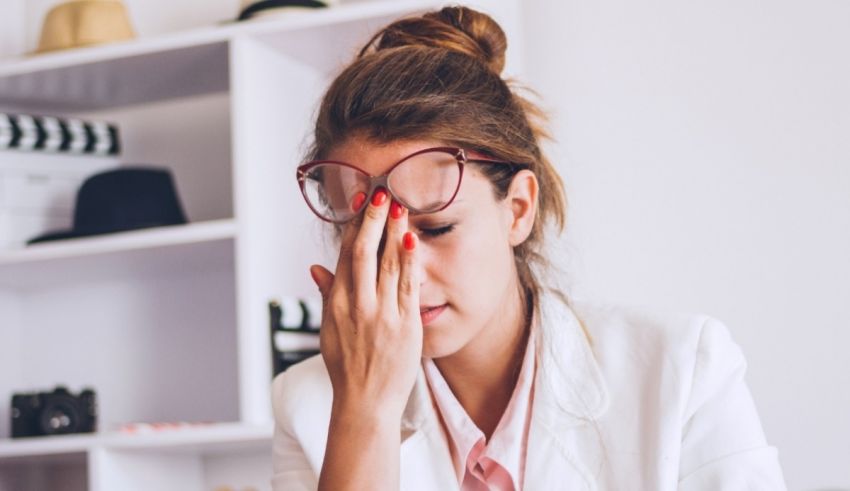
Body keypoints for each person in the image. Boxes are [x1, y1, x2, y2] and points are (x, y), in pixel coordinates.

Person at [272, 6, 787, 490]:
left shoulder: (683, 371)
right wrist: (366, 414)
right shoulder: (308, 405)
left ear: (518, 209)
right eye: (369, 238)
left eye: (436, 228)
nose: (407, 274)